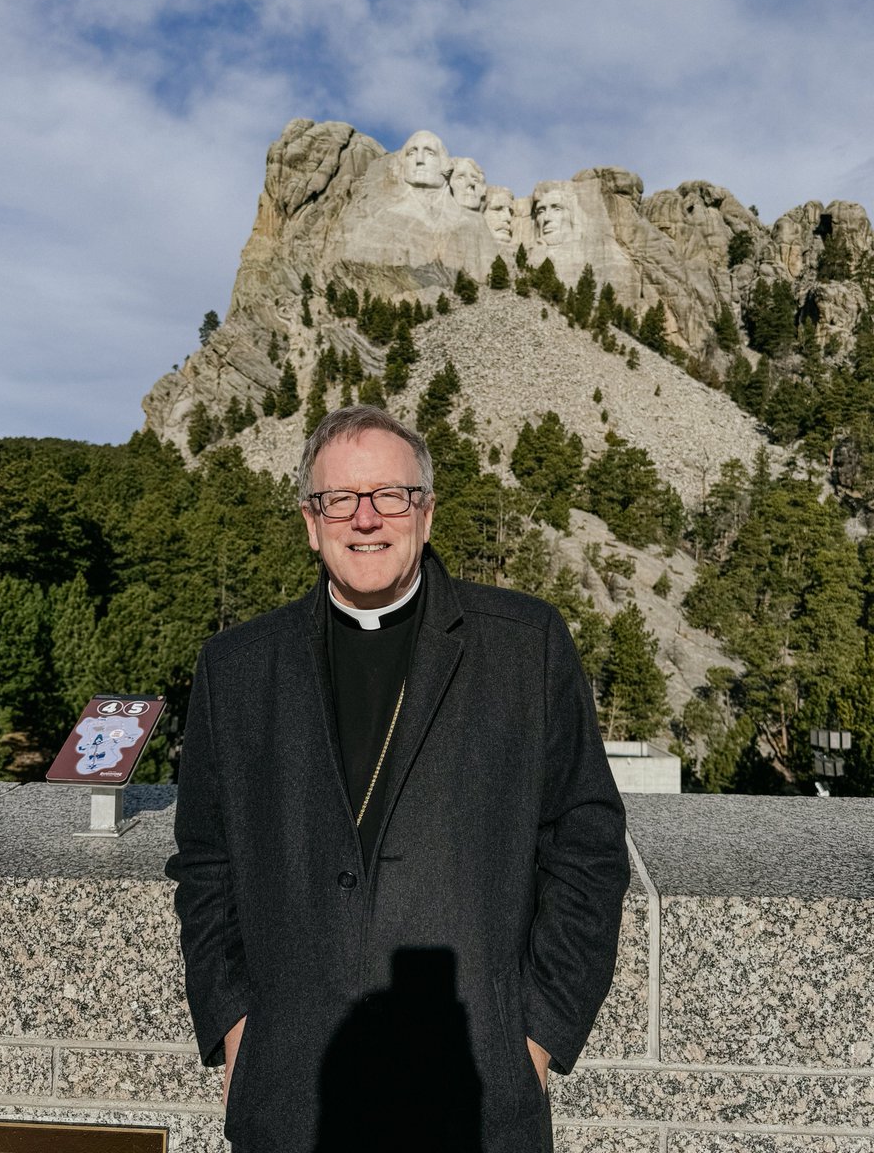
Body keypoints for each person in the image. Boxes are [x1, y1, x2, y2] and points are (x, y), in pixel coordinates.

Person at [166, 405, 629, 1153]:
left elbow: (589, 846)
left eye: (390, 495)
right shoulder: (237, 667)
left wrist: (537, 1037)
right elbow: (205, 859)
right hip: (291, 1097)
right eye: (338, 499)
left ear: (427, 510)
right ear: (311, 522)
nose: (365, 519)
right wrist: (232, 1029)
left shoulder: (526, 646)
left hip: (473, 1089)